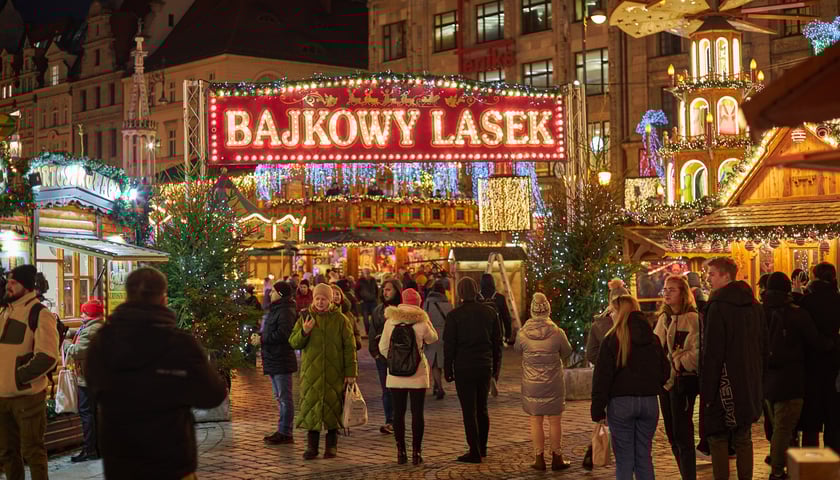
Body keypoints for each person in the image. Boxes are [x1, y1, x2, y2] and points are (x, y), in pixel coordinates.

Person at [85, 267, 227, 479]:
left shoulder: (103, 341)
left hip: (121, 459)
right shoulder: (181, 344)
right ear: (163, 298)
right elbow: (212, 394)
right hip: (171, 459)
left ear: (128, 295)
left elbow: (93, 388)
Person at [761, 272, 834, 480]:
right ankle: (777, 471)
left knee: (778, 427)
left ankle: (783, 465)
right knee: (784, 429)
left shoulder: (759, 312)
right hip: (792, 380)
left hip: (767, 379)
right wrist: (832, 342)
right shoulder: (797, 313)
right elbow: (817, 342)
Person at [701, 257, 766, 480]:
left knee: (718, 436)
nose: (708, 279)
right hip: (748, 380)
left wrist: (708, 388)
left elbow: (713, 351)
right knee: (743, 436)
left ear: (725, 275)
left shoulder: (718, 306)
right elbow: (762, 344)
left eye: (711, 274)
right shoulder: (754, 305)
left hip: (724, 381)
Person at [591, 295, 669, 480]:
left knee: (625, 459)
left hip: (621, 403)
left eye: (612, 311)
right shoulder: (652, 338)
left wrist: (598, 411)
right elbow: (665, 372)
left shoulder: (612, 340)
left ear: (619, 313)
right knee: (644, 456)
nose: (610, 315)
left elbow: (602, 378)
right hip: (649, 402)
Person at [0, 265, 60, 480]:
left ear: (26, 286)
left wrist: (18, 377)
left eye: (13, 283)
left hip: (27, 398)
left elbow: (48, 356)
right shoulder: (5, 310)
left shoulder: (39, 313)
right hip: (2, 397)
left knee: (32, 452)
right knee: (7, 453)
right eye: (8, 281)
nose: (8, 286)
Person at [288, 283, 358, 460]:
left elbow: (349, 348)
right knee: (312, 408)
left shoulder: (341, 320)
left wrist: (351, 373)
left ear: (330, 300)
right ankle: (312, 447)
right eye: (317, 298)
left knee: (333, 409)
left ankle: (331, 446)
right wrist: (304, 332)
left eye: (324, 299)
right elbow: (294, 342)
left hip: (335, 373)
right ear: (313, 299)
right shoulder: (306, 317)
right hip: (312, 373)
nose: (320, 302)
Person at [444, 277, 502, 463]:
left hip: (464, 366)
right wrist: (496, 369)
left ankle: (474, 449)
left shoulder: (454, 316)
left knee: (469, 410)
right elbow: (497, 344)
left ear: (460, 293)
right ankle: (482, 446)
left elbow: (449, 345)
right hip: (484, 365)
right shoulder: (489, 313)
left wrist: (448, 368)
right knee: (482, 408)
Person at [379, 288, 438, 465]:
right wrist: (427, 319)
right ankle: (417, 453)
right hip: (418, 373)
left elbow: (383, 347)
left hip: (396, 375)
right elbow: (433, 338)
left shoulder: (390, 321)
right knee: (417, 413)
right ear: (418, 303)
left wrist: (395, 361)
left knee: (398, 413)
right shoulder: (421, 322)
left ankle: (400, 452)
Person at [515, 293, 573, 471]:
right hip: (553, 382)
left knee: (535, 421)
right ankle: (557, 457)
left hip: (532, 383)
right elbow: (568, 351)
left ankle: (539, 458)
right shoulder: (557, 332)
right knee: (555, 421)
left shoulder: (523, 333)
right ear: (548, 310)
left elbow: (518, 349)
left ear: (532, 311)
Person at [655, 275, 700, 480]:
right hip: (665, 384)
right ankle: (684, 473)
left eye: (672, 289)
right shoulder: (663, 319)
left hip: (682, 381)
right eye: (665, 289)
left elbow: (698, 351)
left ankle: (689, 475)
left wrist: (678, 362)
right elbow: (656, 346)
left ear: (683, 293)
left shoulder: (692, 319)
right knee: (672, 433)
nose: (667, 293)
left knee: (683, 433)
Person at [582, 278, 629, 470]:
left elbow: (591, 353)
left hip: (607, 378)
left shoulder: (599, 324)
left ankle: (595, 449)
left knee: (608, 417)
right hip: (626, 378)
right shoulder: (631, 321)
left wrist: (603, 364)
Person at [798, 262, 840, 452]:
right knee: (834, 411)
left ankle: (811, 457)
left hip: (811, 361)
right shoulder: (837, 299)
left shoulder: (807, 302)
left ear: (814, 277)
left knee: (811, 415)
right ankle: (834, 453)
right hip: (834, 359)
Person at [63, 299, 106, 463]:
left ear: (89, 314)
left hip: (87, 380)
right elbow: (80, 331)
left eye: (83, 312)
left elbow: (77, 351)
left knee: (86, 414)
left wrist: (65, 343)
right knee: (94, 414)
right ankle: (97, 448)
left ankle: (89, 450)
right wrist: (68, 332)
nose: (81, 315)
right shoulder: (97, 326)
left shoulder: (91, 331)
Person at [261, 282, 298, 445]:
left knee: (284, 397)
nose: (270, 294)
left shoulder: (286, 311)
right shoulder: (276, 309)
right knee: (279, 396)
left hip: (281, 358)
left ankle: (285, 431)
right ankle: (282, 429)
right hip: (273, 358)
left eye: (274, 291)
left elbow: (284, 334)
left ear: (281, 294)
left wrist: (263, 339)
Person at [422, 280, 451, 400]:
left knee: (434, 363)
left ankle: (439, 387)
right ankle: (436, 384)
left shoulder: (427, 305)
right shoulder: (448, 305)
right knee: (440, 361)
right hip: (445, 335)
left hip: (432, 335)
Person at [480, 273, 514, 345]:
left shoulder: (476, 298)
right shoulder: (500, 298)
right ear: (493, 282)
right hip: (497, 334)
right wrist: (508, 334)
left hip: (481, 335)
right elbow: (506, 317)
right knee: (496, 355)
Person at [330, 285, 361, 351]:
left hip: (349, 350)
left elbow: (356, 331)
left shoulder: (348, 313)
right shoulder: (326, 313)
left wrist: (357, 343)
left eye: (337, 294)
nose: (335, 296)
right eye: (332, 294)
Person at [356, 268, 378, 335]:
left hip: (373, 301)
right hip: (364, 301)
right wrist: (360, 299)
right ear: (363, 273)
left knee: (375, 317)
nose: (367, 274)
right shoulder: (360, 281)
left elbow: (376, 289)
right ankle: (367, 332)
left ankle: (373, 331)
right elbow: (356, 290)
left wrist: (375, 297)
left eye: (368, 273)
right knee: (365, 318)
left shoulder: (373, 279)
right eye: (366, 273)